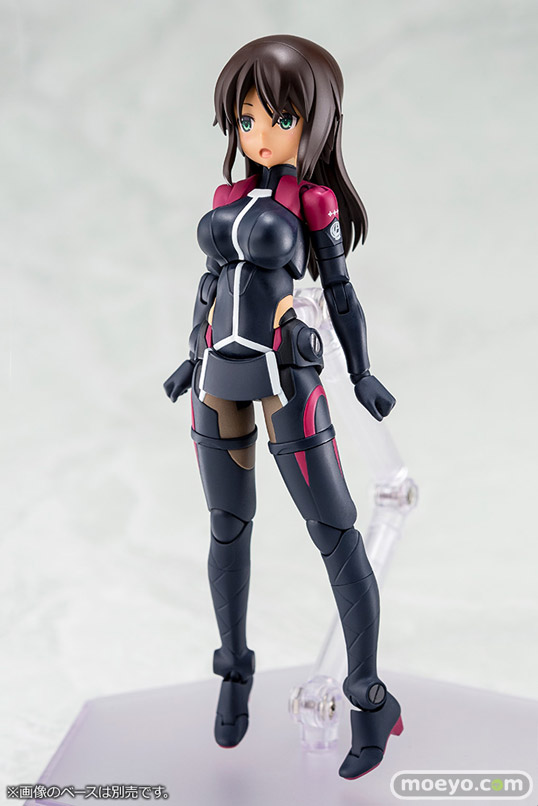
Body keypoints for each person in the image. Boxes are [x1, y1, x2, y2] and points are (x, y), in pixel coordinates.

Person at [164, 34, 403, 780]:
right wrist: (189, 354)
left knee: (335, 532)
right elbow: (210, 286)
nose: (260, 133)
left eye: (280, 118)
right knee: (226, 528)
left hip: (285, 375)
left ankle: (368, 696)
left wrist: (362, 373)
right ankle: (234, 668)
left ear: (315, 121)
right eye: (247, 119)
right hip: (217, 375)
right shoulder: (226, 199)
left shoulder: (313, 202)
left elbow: (341, 294)